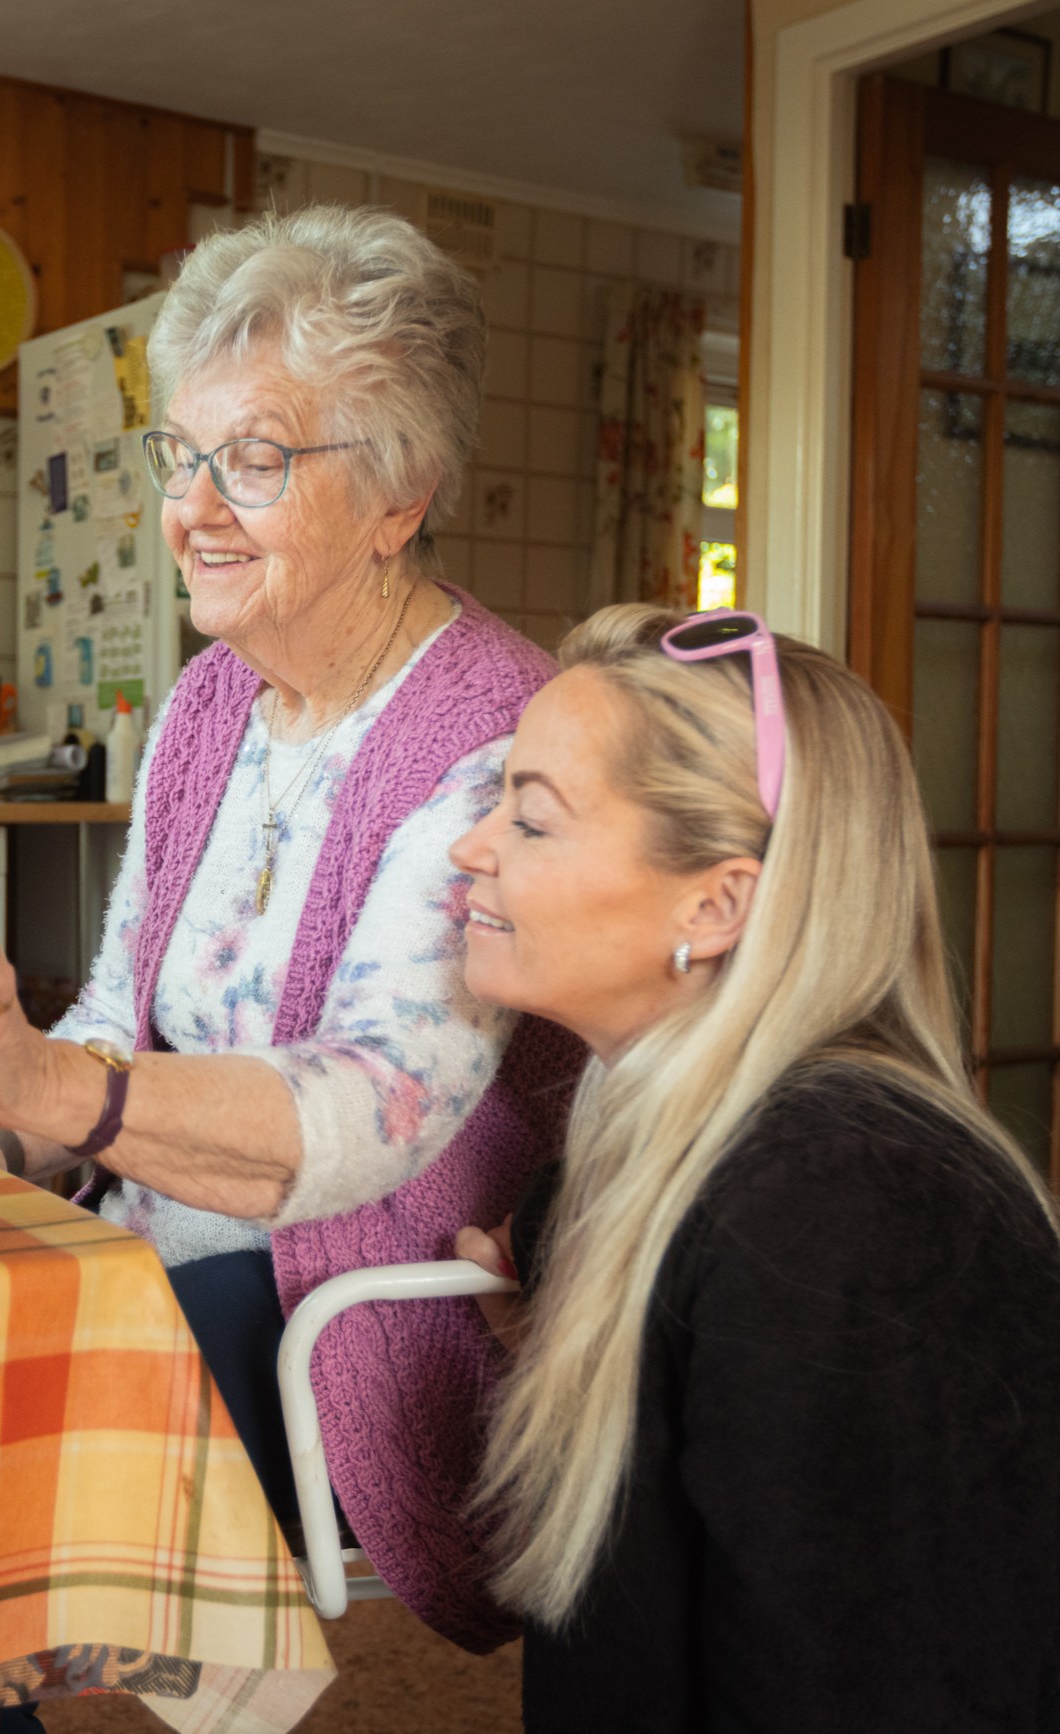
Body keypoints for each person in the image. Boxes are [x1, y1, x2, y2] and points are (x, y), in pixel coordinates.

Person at [0, 205, 583, 1651]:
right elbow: (117, 1008)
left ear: (396, 493)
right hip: (166, 1247)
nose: (191, 508)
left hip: (353, 1298)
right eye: (180, 456)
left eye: (254, 460)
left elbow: (377, 1109)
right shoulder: (208, 703)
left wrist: (62, 1094)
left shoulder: (490, 729)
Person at [452, 603, 1060, 1728]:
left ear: (717, 902)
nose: (470, 846)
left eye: (530, 821)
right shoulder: (671, 1149)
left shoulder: (845, 1210)